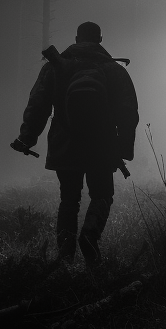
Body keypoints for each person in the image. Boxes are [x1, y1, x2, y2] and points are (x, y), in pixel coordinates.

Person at [12, 21, 139, 265]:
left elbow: (37, 105)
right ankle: (90, 237)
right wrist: (123, 148)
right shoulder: (114, 70)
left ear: (76, 38)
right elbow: (128, 111)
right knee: (102, 195)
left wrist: (27, 138)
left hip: (64, 142)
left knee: (69, 200)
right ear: (100, 39)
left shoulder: (56, 67)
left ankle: (65, 257)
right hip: (102, 145)